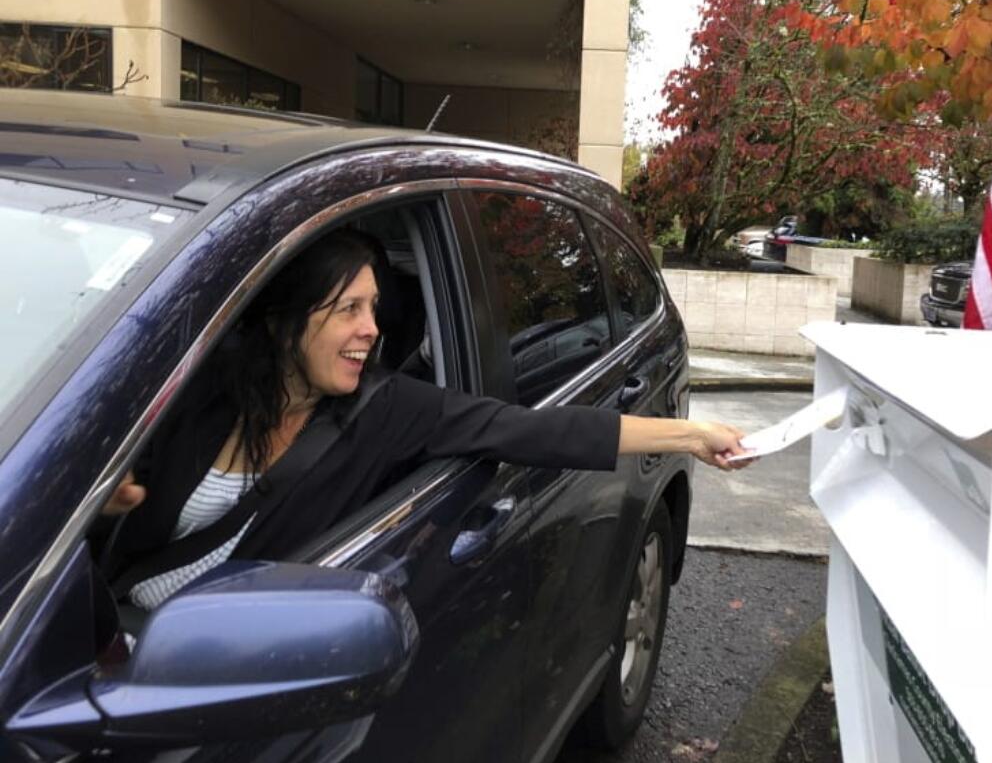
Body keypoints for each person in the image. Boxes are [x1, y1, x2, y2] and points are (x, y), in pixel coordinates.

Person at [98, 228, 750, 611]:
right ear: (283, 322)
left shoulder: (388, 410)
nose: (371, 329)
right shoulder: (205, 392)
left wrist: (692, 435)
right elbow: (124, 493)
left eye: (374, 307)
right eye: (348, 308)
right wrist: (110, 505)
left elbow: (530, 429)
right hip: (107, 636)